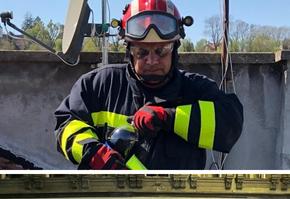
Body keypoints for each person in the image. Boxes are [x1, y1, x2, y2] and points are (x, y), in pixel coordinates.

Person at [54, 0, 243, 170]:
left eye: (162, 50)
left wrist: (169, 118)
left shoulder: (196, 89)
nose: (152, 60)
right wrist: (93, 153)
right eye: (141, 51)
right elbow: (65, 126)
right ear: (129, 51)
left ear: (175, 50)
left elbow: (231, 124)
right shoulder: (99, 85)